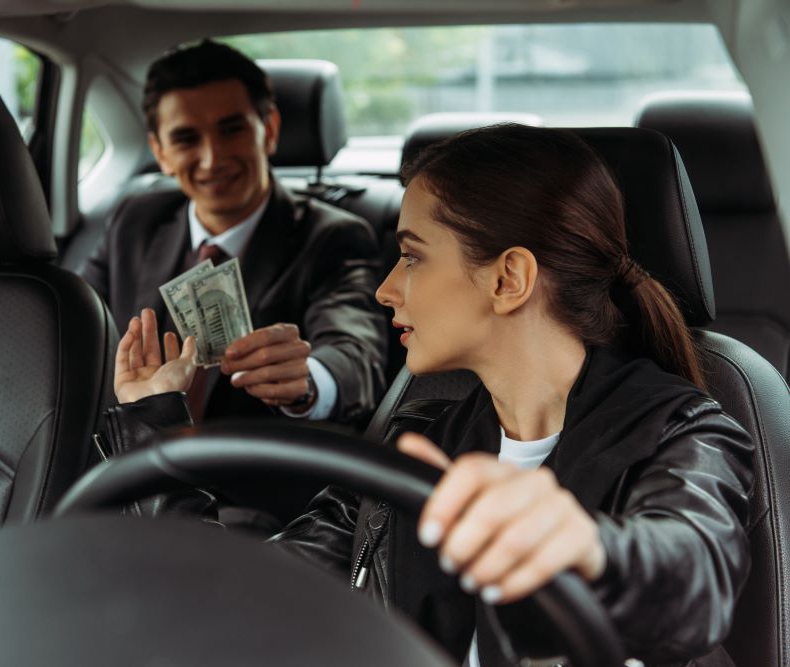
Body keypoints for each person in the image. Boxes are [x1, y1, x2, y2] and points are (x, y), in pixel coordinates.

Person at [98, 124, 753, 666]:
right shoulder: (419, 442)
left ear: (509, 279)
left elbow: (692, 575)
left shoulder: (683, 430)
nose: (388, 289)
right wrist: (157, 421)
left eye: (411, 256)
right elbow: (251, 596)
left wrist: (588, 548)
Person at [80, 39, 386, 430]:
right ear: (160, 152)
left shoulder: (333, 237)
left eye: (232, 129)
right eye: (186, 138)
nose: (212, 158)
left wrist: (306, 382)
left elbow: (355, 352)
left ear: (269, 130)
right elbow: (77, 337)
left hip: (251, 476)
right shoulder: (134, 220)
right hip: (130, 465)